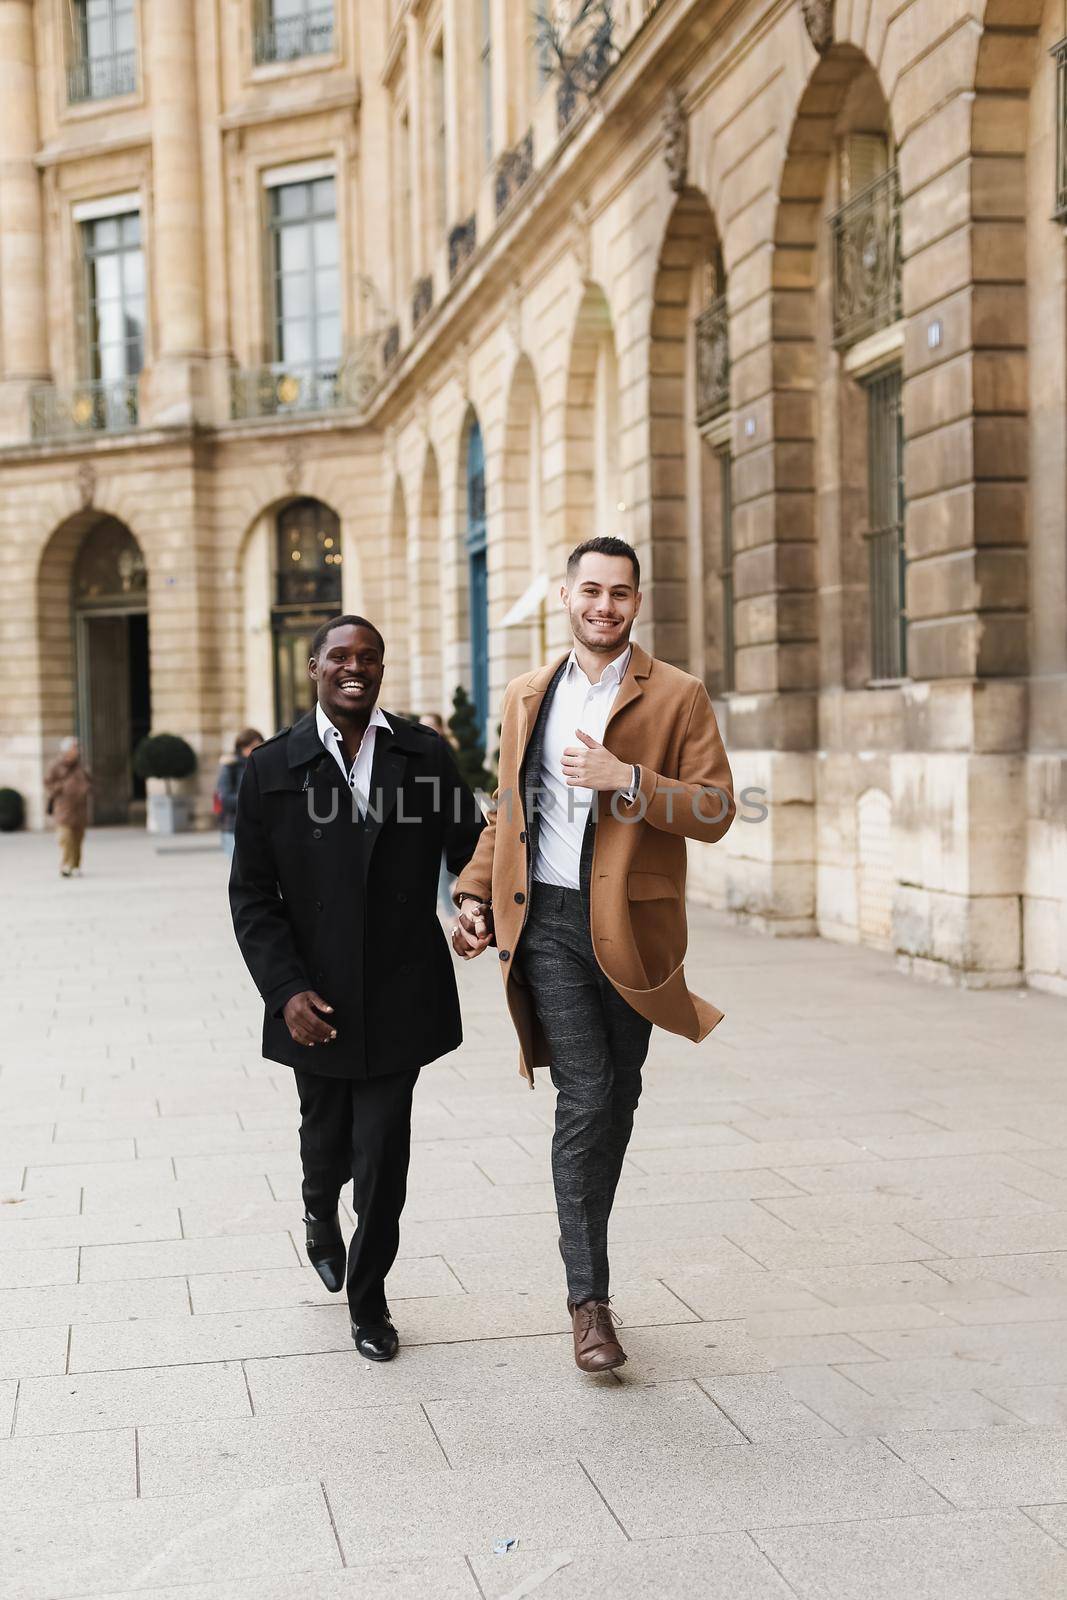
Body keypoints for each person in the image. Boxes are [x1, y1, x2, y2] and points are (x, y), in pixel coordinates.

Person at [452, 537, 735, 1374]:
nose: (603, 605)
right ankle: (589, 1304)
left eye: (619, 593)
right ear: (565, 598)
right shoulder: (527, 694)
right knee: (587, 1094)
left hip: (631, 930)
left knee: (619, 1098)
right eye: (590, 590)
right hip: (544, 924)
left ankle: (589, 1262)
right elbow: (508, 809)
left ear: (635, 604)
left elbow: (716, 809)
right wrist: (472, 894)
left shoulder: (678, 696)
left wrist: (628, 778)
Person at [229, 615, 483, 1362]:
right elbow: (251, 896)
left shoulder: (425, 753)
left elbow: (470, 846)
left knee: (381, 1157)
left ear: (380, 669)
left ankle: (369, 1302)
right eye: (340, 656)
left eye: (368, 657)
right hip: (317, 998)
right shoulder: (270, 767)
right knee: (327, 1143)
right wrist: (285, 991)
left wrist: (473, 906)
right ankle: (315, 1210)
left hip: (402, 991)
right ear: (313, 667)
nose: (354, 667)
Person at [419, 712, 460, 917]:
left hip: (449, 820)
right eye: (421, 726)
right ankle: (451, 915)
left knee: (448, 871)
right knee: (442, 873)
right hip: (427, 822)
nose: (425, 730)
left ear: (441, 729)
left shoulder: (446, 752)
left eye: (430, 725)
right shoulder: (415, 754)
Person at [44, 737, 92, 878]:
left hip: (79, 808)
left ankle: (76, 865)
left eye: (77, 747)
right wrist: (60, 788)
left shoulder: (81, 765)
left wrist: (86, 788)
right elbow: (47, 783)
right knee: (65, 838)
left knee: (78, 838)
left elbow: (89, 780)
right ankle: (66, 865)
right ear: (67, 750)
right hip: (63, 808)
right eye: (75, 747)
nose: (78, 750)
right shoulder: (56, 765)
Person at [216, 728, 264, 858]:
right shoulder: (231, 766)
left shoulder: (264, 765)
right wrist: (250, 798)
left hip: (259, 827)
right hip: (234, 827)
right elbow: (225, 799)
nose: (257, 749)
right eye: (252, 746)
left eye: (260, 745)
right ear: (241, 748)